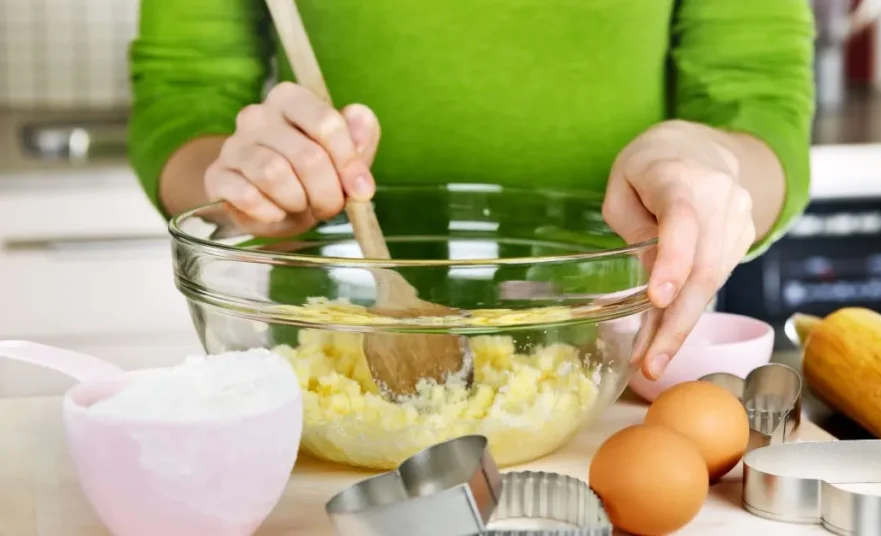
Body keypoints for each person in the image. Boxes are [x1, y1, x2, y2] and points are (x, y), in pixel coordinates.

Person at [129, 0, 815, 382]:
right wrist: (254, 178)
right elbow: (181, 101)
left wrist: (707, 159)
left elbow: (761, 106)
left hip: (620, 366)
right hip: (322, 356)